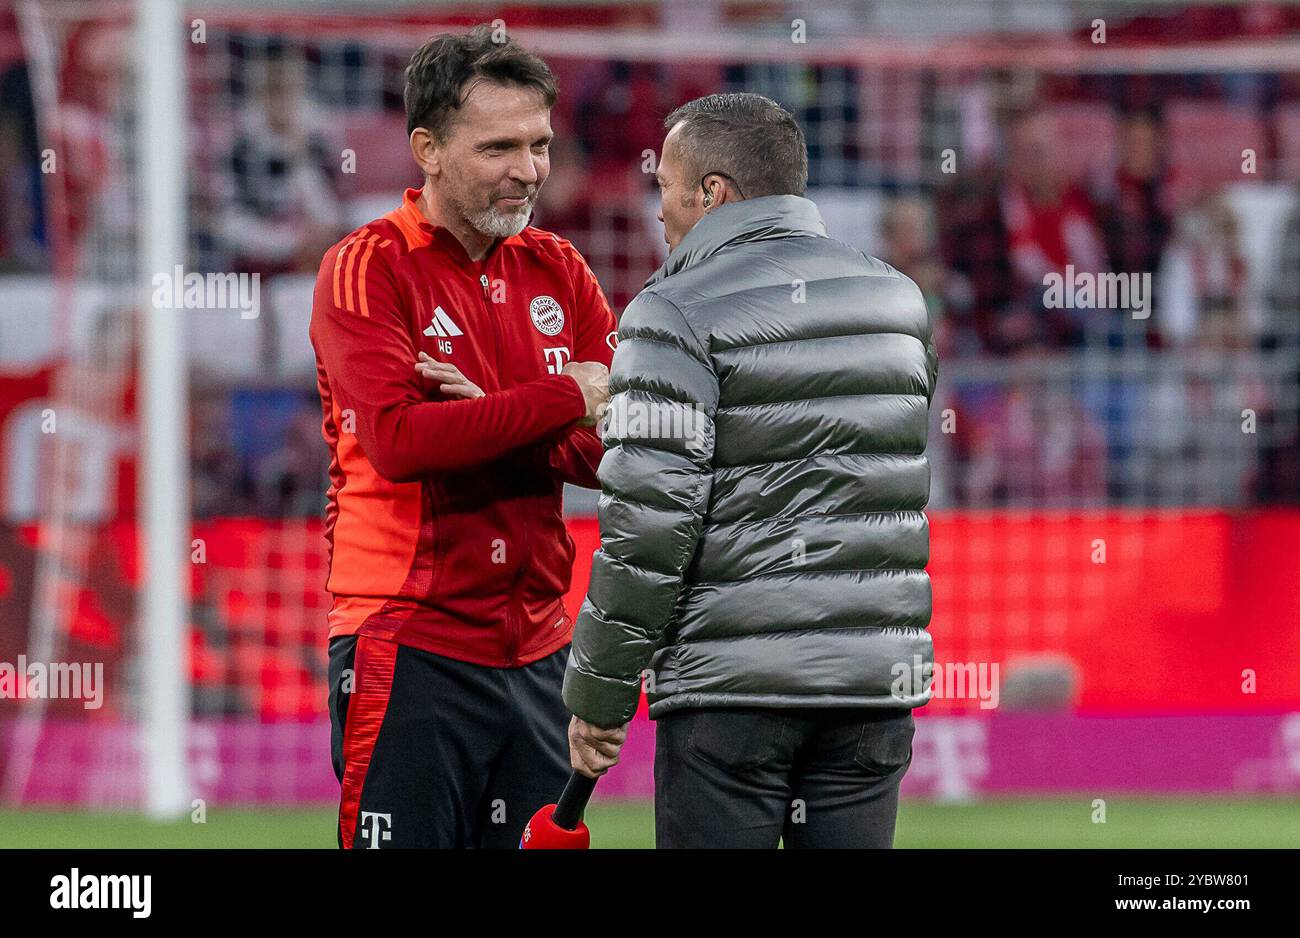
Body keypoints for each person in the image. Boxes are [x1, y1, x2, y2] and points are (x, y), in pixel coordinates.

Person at [563, 93, 939, 848]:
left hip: (730, 700)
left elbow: (650, 526)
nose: (656, 211)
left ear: (713, 192)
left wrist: (597, 695)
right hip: (871, 694)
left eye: (664, 187)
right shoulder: (898, 302)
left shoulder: (670, 312)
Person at [310, 26, 614, 849]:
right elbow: (404, 444)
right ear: (427, 149)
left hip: (541, 648)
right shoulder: (367, 268)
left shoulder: (561, 268)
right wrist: (560, 398)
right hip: (410, 639)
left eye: (541, 144)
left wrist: (487, 411)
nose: (529, 170)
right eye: (499, 147)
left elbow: (615, 455)